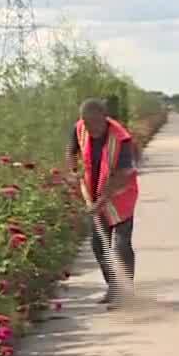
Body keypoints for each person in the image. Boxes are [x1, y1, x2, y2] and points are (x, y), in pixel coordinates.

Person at [65, 99, 140, 306]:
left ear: (104, 118)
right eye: (87, 124)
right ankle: (113, 288)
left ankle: (126, 292)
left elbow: (123, 174)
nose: (92, 129)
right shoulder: (79, 129)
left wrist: (102, 201)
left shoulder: (121, 137)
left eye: (96, 124)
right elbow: (71, 151)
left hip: (121, 194)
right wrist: (72, 172)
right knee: (98, 244)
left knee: (121, 244)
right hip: (94, 191)